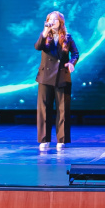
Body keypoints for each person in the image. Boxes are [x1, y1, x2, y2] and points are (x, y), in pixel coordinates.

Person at [35, 11, 78, 151]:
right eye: (50, 19)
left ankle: (62, 139)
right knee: (44, 109)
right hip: (45, 77)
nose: (52, 22)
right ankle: (44, 139)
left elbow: (75, 53)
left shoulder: (67, 37)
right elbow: (38, 47)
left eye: (55, 19)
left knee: (63, 109)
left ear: (61, 22)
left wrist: (71, 63)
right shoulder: (45, 36)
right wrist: (45, 32)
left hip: (62, 76)